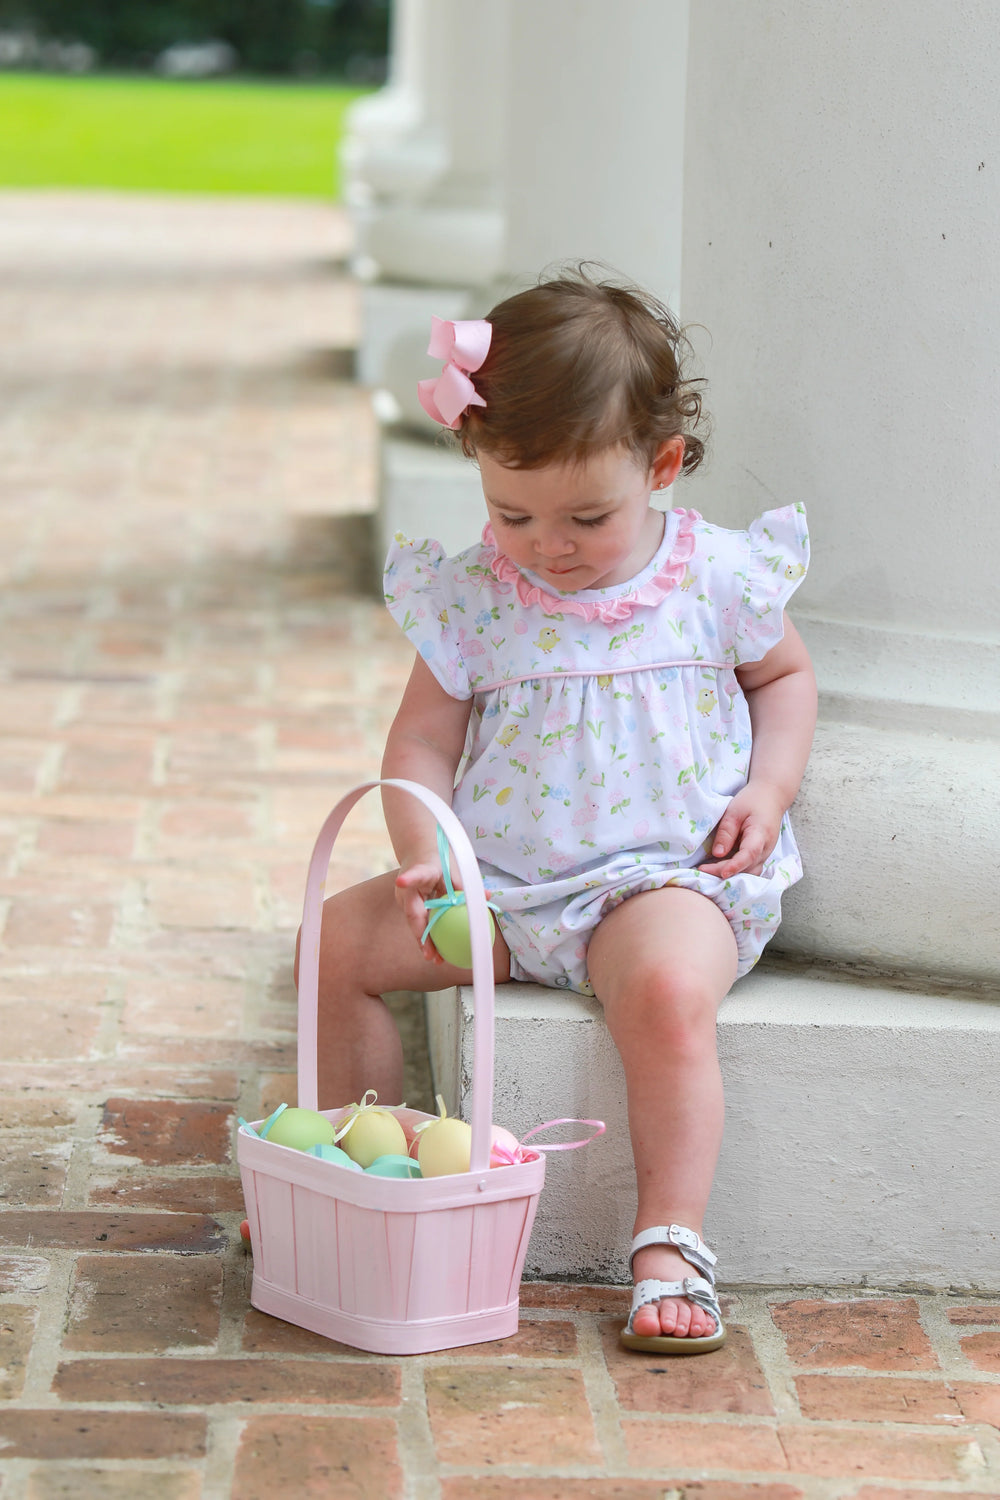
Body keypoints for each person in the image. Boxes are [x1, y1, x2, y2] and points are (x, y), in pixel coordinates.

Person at [313, 268, 817, 1354]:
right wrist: (427, 857)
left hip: (657, 877)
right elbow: (421, 741)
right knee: (336, 942)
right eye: (511, 511)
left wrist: (766, 791)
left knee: (672, 993)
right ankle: (357, 1164)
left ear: (662, 466)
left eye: (587, 515)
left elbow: (784, 682)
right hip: (497, 885)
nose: (547, 542)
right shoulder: (474, 595)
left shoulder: (717, 577)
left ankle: (668, 1240)